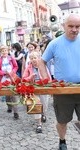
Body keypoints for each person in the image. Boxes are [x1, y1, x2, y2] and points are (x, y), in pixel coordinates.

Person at [39, 14, 80, 150]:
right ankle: (62, 141)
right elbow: (41, 62)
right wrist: (47, 80)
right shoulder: (55, 43)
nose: (74, 29)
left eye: (77, 26)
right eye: (71, 26)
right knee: (62, 121)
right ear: (64, 26)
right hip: (62, 89)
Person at [22, 51, 51, 133]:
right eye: (31, 58)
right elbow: (24, 79)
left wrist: (48, 84)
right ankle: (39, 124)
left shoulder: (43, 66)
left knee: (44, 105)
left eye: (35, 58)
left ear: (39, 58)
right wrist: (30, 77)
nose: (33, 60)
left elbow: (48, 77)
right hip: (33, 89)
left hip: (43, 88)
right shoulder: (28, 67)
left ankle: (43, 114)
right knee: (36, 105)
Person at [0, 45, 19, 119]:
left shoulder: (11, 58)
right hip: (4, 79)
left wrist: (11, 72)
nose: (4, 52)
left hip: (11, 78)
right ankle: (9, 106)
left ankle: (16, 112)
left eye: (5, 50)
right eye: (2, 51)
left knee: (13, 94)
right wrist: (3, 73)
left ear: (8, 51)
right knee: (7, 94)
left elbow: (16, 66)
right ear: (0, 52)